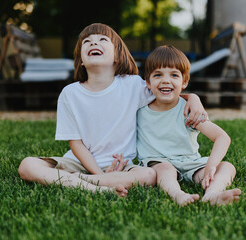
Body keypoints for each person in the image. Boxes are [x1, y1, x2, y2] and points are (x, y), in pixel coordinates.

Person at [18, 23, 207, 197]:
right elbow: (76, 144)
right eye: (87, 42)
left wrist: (193, 98)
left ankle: (79, 182)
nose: (94, 43)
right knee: (27, 165)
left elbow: (165, 93)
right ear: (81, 59)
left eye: (102, 40)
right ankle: (97, 188)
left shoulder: (132, 85)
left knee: (149, 175)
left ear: (117, 56)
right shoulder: (70, 94)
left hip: (121, 165)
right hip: (78, 163)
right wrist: (100, 174)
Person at [136, 45, 241, 206]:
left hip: (190, 162)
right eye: (158, 75)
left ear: (184, 82)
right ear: (148, 83)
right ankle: (178, 195)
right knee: (166, 169)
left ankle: (212, 194)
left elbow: (222, 137)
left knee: (227, 167)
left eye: (174, 75)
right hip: (156, 163)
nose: (166, 80)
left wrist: (211, 166)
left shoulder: (189, 109)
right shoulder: (140, 110)